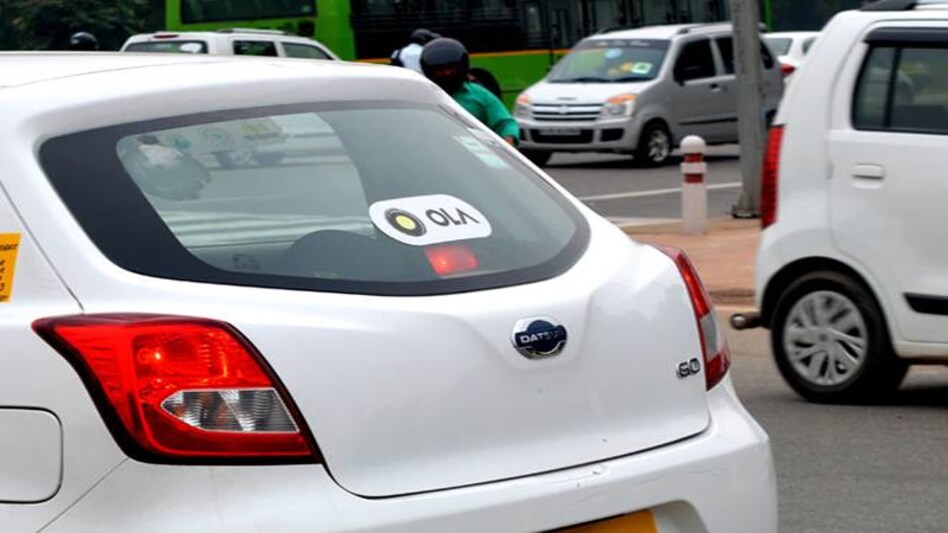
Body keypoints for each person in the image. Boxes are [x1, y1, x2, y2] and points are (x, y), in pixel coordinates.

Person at [420, 38, 519, 146]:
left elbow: (505, 123)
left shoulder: (480, 94)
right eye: (440, 69)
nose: (447, 73)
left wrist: (508, 139)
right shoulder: (422, 96)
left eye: (451, 68)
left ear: (461, 67)